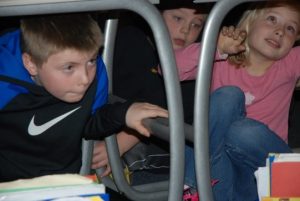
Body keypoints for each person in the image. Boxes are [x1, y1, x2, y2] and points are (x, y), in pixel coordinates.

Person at [0, 13, 168, 182]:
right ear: (31, 64)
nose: (85, 78)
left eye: (91, 61)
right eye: (69, 67)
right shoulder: (5, 82)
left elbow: (89, 123)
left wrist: (124, 113)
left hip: (64, 182)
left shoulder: (97, 73)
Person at [175, 0, 300, 200]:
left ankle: (189, 185)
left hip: (269, 170)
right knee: (228, 96)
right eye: (272, 19)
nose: (280, 31)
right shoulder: (220, 59)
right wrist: (214, 48)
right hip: (218, 172)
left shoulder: (291, 63)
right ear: (250, 22)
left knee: (242, 131)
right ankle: (191, 187)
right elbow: (169, 69)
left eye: (290, 28)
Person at [91, 0, 211, 196]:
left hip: (166, 144)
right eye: (178, 18)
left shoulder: (196, 62)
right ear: (155, 13)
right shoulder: (130, 39)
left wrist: (122, 142)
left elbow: (170, 109)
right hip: (116, 124)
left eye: (196, 24)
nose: (185, 29)